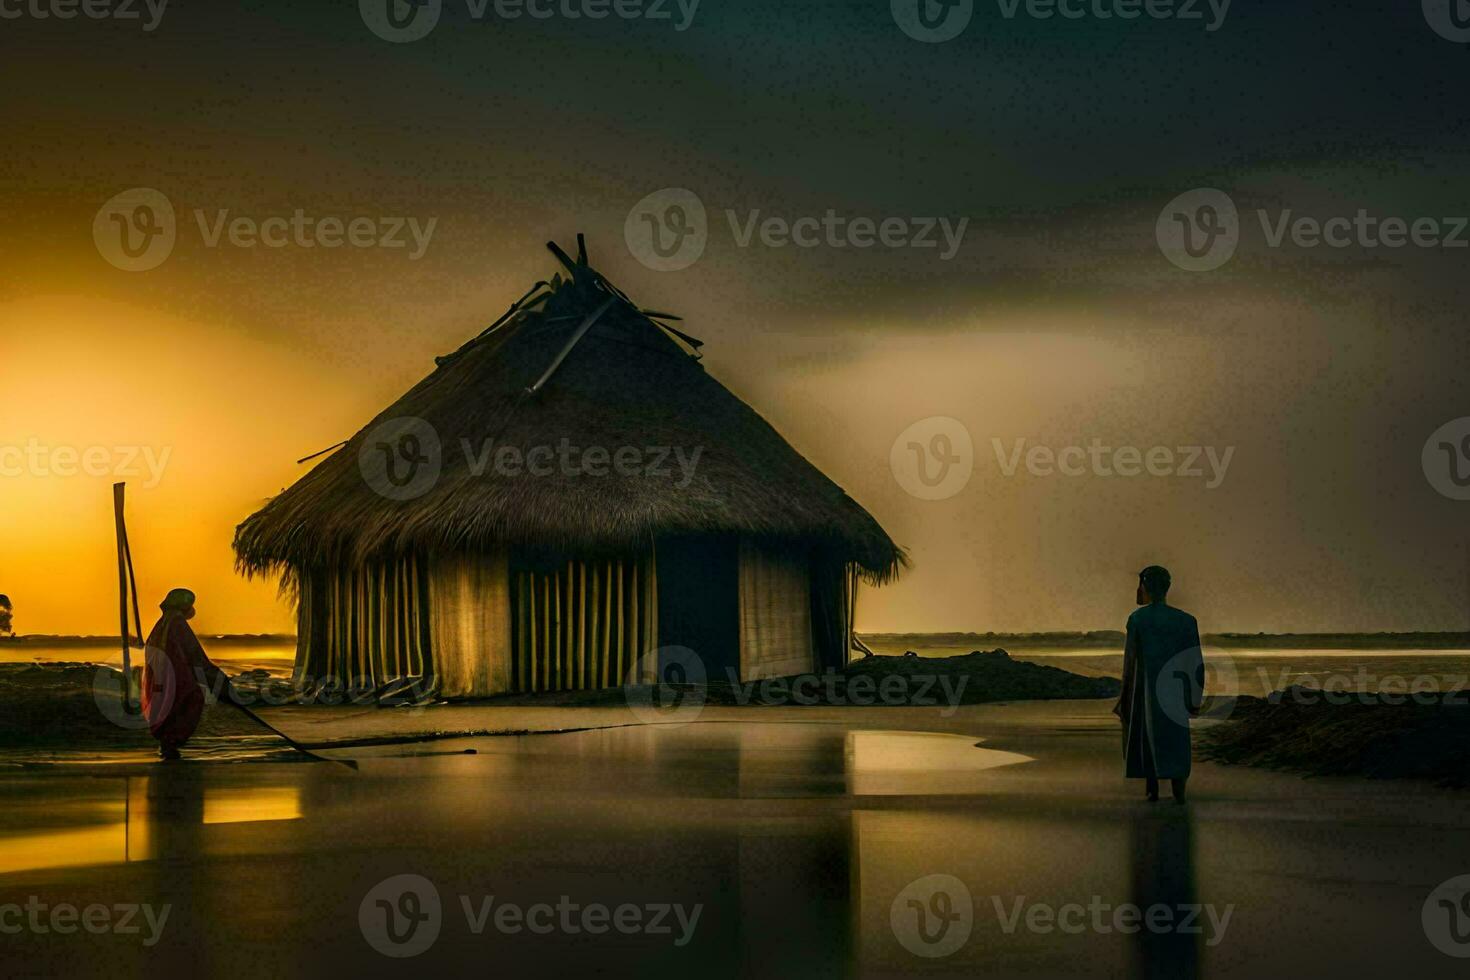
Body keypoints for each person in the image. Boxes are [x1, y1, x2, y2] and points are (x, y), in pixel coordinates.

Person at [1113, 566, 1204, 803]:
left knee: (1147, 737)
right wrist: (1195, 696)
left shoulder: (1138, 619)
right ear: (1167, 587)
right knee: (1176, 738)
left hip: (1146, 690)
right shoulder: (1186, 620)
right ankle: (1179, 793)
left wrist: (1124, 696)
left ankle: (1152, 790)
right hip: (1175, 689)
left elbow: (1130, 662)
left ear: (1145, 587)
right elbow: (1194, 662)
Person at [141, 588, 232, 761]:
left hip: (164, 678)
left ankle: (168, 744)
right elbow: (194, 654)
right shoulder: (176, 623)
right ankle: (171, 742)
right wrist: (218, 680)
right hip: (175, 677)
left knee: (171, 706)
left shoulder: (163, 623)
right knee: (190, 699)